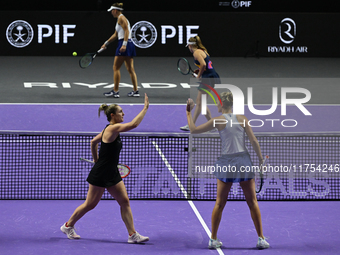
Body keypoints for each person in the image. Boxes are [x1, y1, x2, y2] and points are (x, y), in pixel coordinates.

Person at [60, 94, 149, 243]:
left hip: (111, 172)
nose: (123, 114)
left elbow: (93, 141)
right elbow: (134, 124)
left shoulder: (110, 129)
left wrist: (96, 159)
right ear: (113, 115)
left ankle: (132, 235)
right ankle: (68, 226)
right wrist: (145, 108)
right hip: (101, 174)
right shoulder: (112, 129)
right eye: (121, 112)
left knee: (124, 201)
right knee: (90, 204)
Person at [185, 92, 270, 250]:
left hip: (226, 163)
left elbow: (193, 130)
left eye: (217, 103)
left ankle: (213, 239)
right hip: (243, 162)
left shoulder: (217, 121)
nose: (216, 105)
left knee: (219, 203)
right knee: (252, 202)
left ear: (222, 105)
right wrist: (260, 160)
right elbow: (253, 140)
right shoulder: (243, 119)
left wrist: (189, 112)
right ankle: (261, 239)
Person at [180, 35, 221, 131]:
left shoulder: (196, 53)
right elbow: (205, 65)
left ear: (190, 45)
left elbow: (204, 64)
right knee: (202, 103)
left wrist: (198, 76)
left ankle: (191, 125)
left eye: (188, 46)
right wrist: (198, 70)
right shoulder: (203, 51)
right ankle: (212, 124)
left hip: (208, 78)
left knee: (199, 103)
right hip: (212, 76)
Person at [102, 3, 139, 98]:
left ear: (115, 10)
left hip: (124, 43)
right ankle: (135, 91)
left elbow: (127, 31)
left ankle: (115, 91)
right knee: (130, 69)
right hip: (128, 43)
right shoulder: (120, 19)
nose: (111, 12)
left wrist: (124, 45)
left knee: (116, 68)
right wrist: (106, 43)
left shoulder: (121, 18)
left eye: (111, 11)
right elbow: (115, 34)